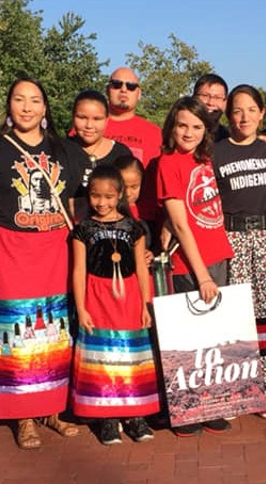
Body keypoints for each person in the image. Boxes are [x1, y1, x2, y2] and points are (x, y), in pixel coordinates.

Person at [0, 77, 82, 450]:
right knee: (14, 337)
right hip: (9, 252)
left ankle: (51, 409)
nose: (27, 107)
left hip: (55, 252)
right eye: (19, 99)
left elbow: (79, 204)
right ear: (9, 105)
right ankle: (23, 416)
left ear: (46, 108)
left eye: (35, 100)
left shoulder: (66, 152)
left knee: (54, 335)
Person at [211, 85, 266, 418]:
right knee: (234, 313)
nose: (244, 117)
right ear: (229, 115)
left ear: (262, 113)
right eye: (237, 111)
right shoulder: (216, 152)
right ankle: (236, 386)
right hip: (232, 237)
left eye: (250, 110)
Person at [156, 96, 234, 436]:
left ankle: (210, 403)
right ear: (172, 126)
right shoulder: (167, 163)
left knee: (214, 337)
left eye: (197, 127)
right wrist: (201, 274)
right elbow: (181, 224)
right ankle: (186, 410)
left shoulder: (203, 158)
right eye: (183, 125)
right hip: (190, 263)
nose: (189, 132)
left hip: (218, 253)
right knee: (189, 339)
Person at [71, 165, 159, 445]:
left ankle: (135, 414)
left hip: (129, 297)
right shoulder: (83, 229)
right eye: (95, 196)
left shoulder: (134, 227)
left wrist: (146, 305)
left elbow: (143, 271)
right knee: (103, 357)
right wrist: (81, 307)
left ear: (120, 195)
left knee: (130, 356)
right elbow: (78, 270)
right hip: (97, 297)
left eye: (109, 197)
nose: (102, 203)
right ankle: (106, 416)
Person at [69, 89, 133, 188]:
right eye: (82, 117)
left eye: (97, 119)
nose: (89, 125)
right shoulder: (61, 150)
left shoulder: (121, 154)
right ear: (73, 117)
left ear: (107, 120)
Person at [104, 67, 162, 168]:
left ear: (139, 94)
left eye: (131, 86)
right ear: (107, 90)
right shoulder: (88, 127)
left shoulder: (155, 134)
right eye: (117, 84)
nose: (123, 89)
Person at [193, 73, 230, 142]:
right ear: (194, 98)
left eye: (217, 97)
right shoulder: (179, 136)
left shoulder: (229, 139)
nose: (210, 102)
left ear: (225, 103)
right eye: (205, 95)